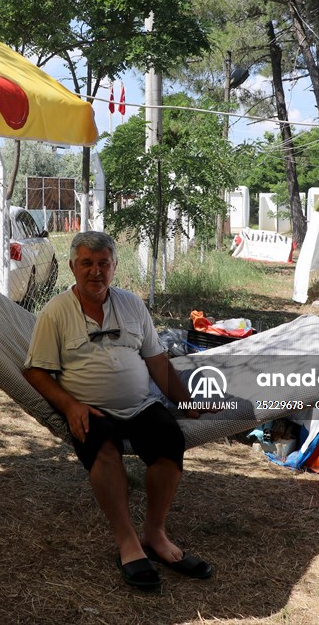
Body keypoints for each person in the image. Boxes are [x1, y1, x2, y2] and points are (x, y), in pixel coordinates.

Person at [23, 231, 214, 591]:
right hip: (90, 410)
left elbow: (157, 362)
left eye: (103, 263)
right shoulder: (56, 312)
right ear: (72, 267)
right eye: (86, 263)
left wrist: (187, 402)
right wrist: (70, 405)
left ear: (114, 266)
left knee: (169, 443)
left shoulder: (132, 305)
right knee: (105, 452)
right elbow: (34, 370)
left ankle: (155, 534)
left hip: (141, 405)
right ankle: (128, 543)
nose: (95, 271)